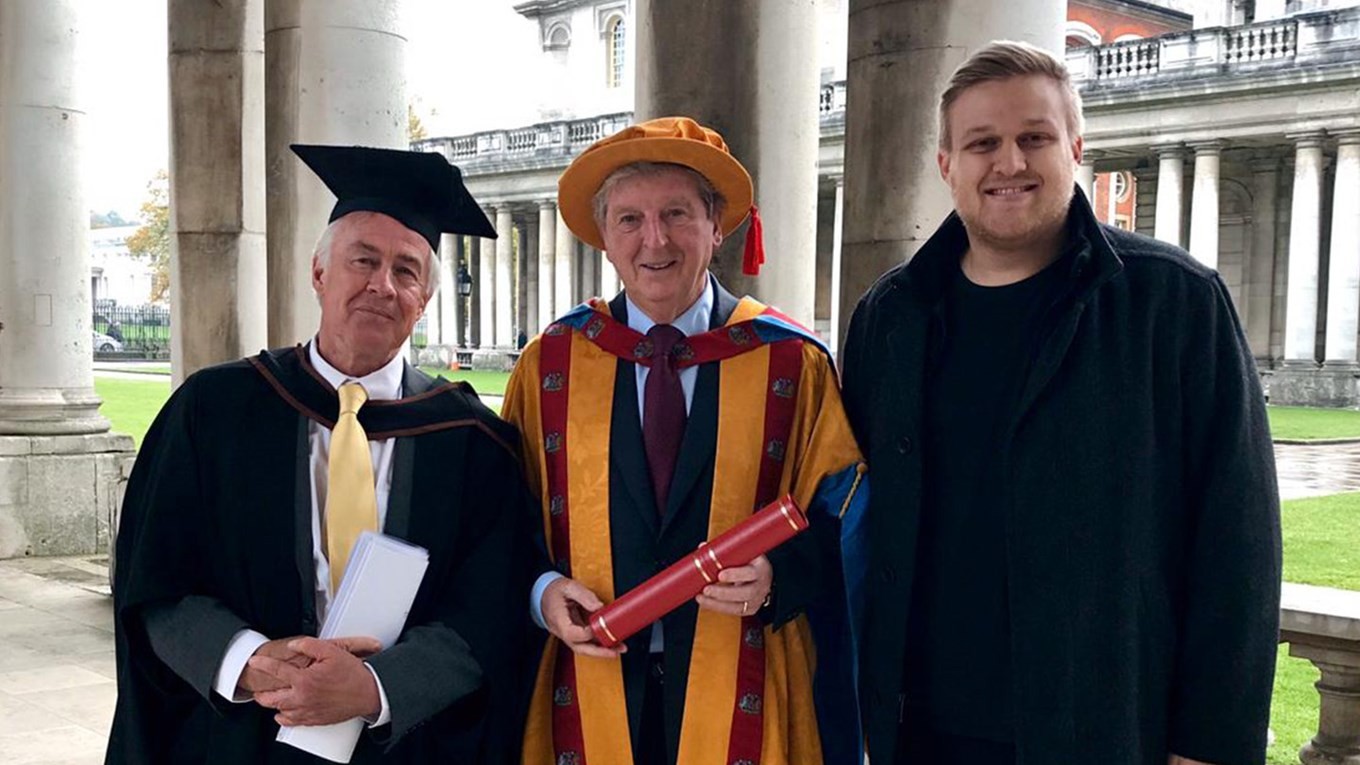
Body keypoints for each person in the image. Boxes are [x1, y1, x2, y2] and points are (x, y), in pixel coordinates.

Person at [839, 40, 1281, 765]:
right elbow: (852, 510)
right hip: (919, 731)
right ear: (947, 165)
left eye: (1034, 137)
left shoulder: (1175, 304)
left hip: (1101, 727)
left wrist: (1210, 745)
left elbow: (1238, 544)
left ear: (1075, 148)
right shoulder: (889, 316)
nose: (1009, 162)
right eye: (983, 142)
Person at [106, 145, 536, 764]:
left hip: (407, 741)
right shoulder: (214, 412)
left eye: (407, 271)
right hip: (241, 735)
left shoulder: (471, 440)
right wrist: (246, 661)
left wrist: (375, 687)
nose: (381, 285)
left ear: (424, 300)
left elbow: (492, 605)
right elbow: (156, 577)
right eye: (363, 259)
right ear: (319, 274)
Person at [501, 117, 867, 765]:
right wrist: (540, 589)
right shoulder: (549, 365)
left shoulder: (791, 363)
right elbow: (500, 520)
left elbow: (849, 516)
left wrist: (780, 575)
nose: (655, 239)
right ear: (605, 240)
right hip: (586, 683)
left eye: (677, 213)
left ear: (718, 227)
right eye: (630, 220)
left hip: (746, 680)